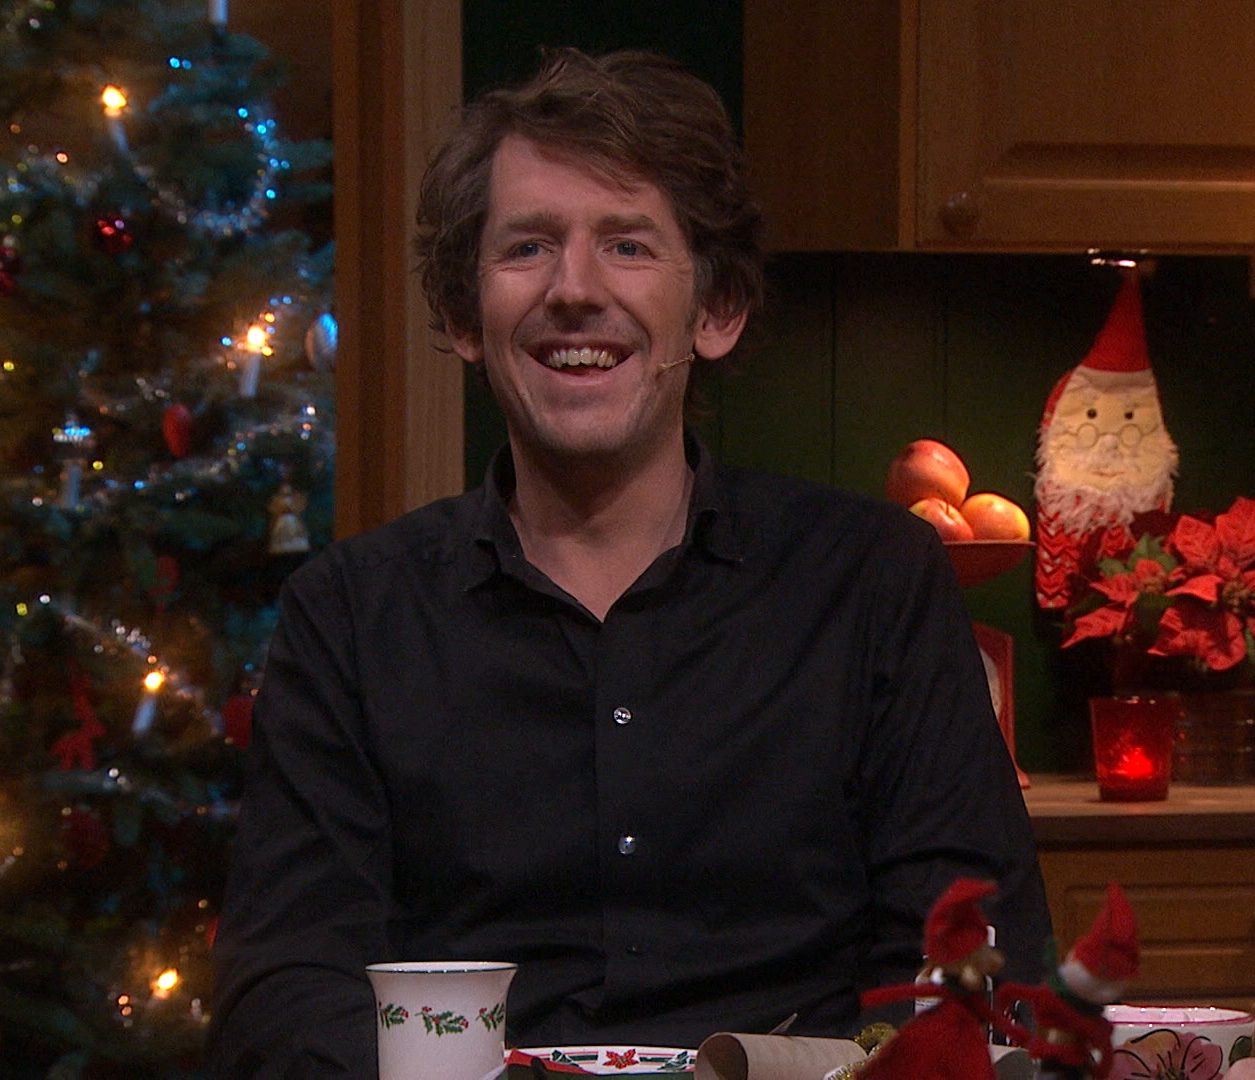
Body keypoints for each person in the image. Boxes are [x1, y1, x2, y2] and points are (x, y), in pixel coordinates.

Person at [209, 48, 1050, 1078]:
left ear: (716, 311)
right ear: (465, 317)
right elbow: (285, 993)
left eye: (628, 245)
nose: (574, 290)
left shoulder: (875, 583)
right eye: (528, 247)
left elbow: (973, 956)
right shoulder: (349, 616)